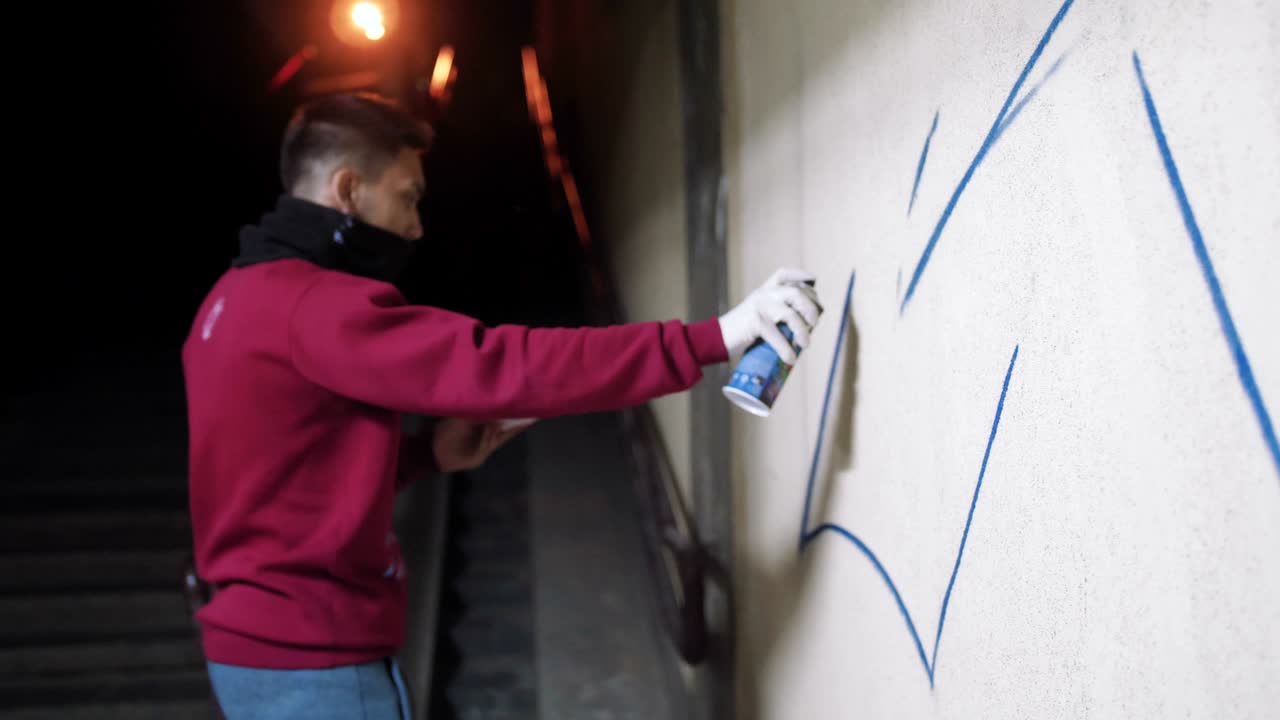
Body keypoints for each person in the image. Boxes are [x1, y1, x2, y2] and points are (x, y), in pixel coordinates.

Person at [182, 91, 823, 719]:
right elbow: (502, 366)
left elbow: (281, 474)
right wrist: (712, 339)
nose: (415, 226)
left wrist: (425, 455)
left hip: (253, 652)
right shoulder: (314, 306)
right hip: (314, 665)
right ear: (348, 191)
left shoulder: (227, 302)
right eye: (407, 198)